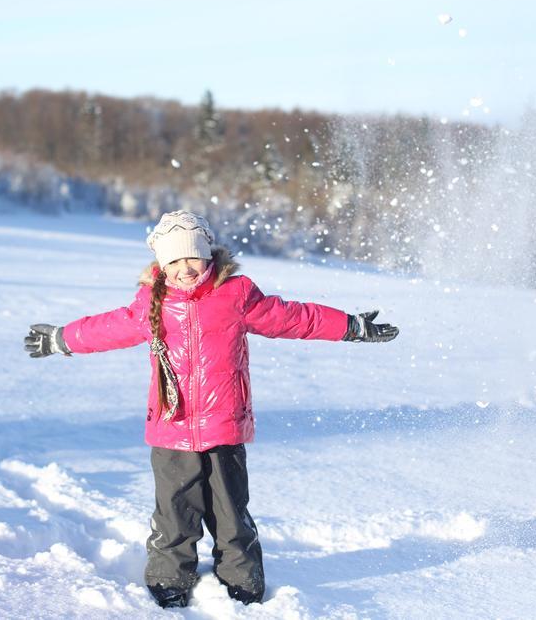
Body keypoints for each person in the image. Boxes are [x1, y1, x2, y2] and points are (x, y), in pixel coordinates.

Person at [24, 210, 398, 608]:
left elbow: (293, 318)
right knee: (174, 514)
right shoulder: (152, 302)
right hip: (172, 427)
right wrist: (62, 338)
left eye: (192, 258)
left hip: (225, 425)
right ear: (161, 264)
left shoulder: (235, 295)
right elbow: (108, 328)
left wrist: (349, 326)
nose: (185, 268)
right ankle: (170, 578)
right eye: (174, 261)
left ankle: (243, 580)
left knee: (231, 514)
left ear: (208, 255)